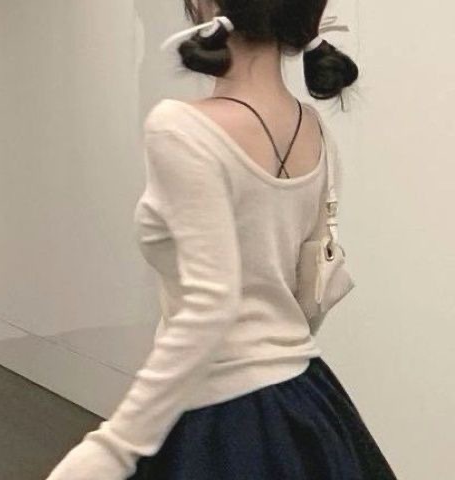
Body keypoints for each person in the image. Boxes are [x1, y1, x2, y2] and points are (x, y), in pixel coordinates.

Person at [45, 1, 399, 479]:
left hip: (219, 415)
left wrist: (113, 449)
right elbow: (308, 291)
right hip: (307, 404)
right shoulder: (314, 131)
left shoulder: (182, 128)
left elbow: (210, 304)